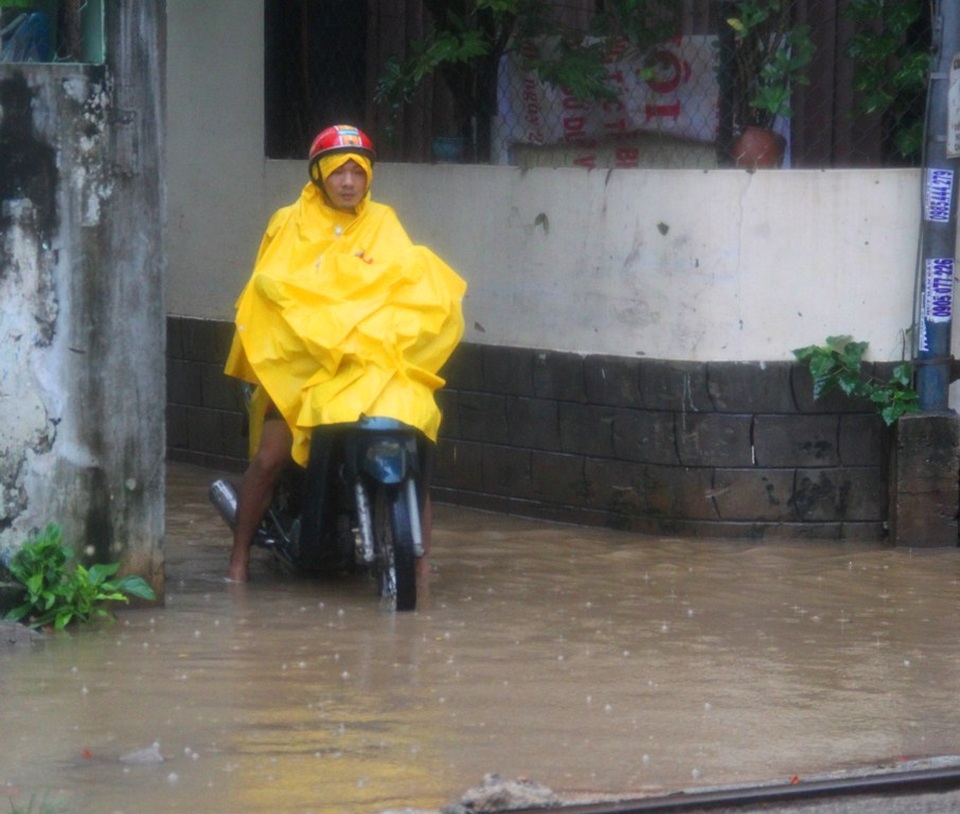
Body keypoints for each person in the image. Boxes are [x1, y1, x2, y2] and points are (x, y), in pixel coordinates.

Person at [223, 124, 466, 582]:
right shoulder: (288, 222)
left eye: (358, 171)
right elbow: (269, 291)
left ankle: (422, 563)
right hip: (302, 369)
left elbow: (405, 285)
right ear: (319, 176)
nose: (349, 181)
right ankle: (237, 561)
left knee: (412, 440)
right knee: (271, 456)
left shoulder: (384, 224)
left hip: (368, 365)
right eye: (338, 172)